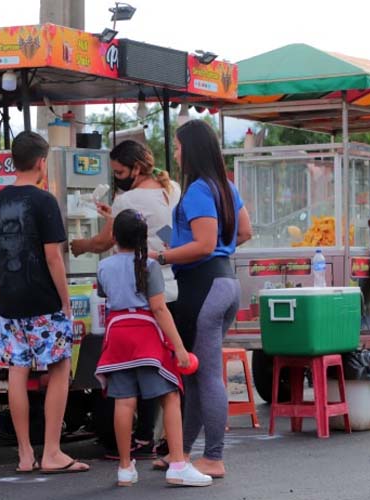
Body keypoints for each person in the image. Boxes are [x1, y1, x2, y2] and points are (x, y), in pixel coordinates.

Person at [0, 131, 89, 474]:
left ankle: (25, 454)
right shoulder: (44, 201)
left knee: (17, 372)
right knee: (58, 369)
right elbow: (53, 257)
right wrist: (65, 301)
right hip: (44, 299)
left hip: (10, 301)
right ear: (42, 162)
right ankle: (53, 452)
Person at [151, 119, 252, 478]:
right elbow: (244, 231)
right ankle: (181, 452)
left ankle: (213, 456)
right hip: (224, 283)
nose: (175, 154)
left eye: (177, 147)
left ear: (190, 149)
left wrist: (165, 256)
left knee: (206, 375)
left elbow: (205, 244)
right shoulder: (225, 186)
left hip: (203, 288)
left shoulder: (197, 190)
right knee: (193, 374)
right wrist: (203, 250)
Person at [71, 139, 179, 459]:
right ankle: (164, 443)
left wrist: (80, 245)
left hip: (142, 299)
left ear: (135, 168)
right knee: (162, 373)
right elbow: (165, 231)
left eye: (119, 171)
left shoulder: (129, 199)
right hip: (172, 287)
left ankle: (137, 445)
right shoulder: (171, 188)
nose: (117, 177)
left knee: (133, 382)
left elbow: (107, 240)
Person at [95, 209, 213, 487]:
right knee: (170, 396)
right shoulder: (148, 267)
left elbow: (104, 294)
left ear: (114, 237)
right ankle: (178, 464)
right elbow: (159, 308)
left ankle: (125, 468)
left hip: (117, 337)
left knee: (123, 401)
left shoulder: (104, 267)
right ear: (142, 239)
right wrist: (180, 348)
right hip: (145, 338)